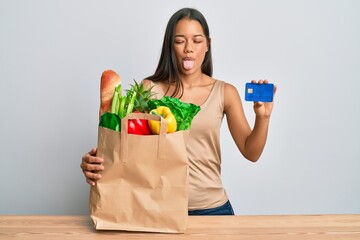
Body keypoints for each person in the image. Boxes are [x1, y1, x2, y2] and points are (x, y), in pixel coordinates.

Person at [80, 7, 276, 216]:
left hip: (213, 210)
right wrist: (93, 163)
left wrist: (262, 118)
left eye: (197, 41)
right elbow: (127, 152)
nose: (188, 48)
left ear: (208, 45)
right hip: (159, 210)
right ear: (170, 46)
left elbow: (251, 152)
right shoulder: (149, 90)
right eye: (180, 41)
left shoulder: (225, 93)